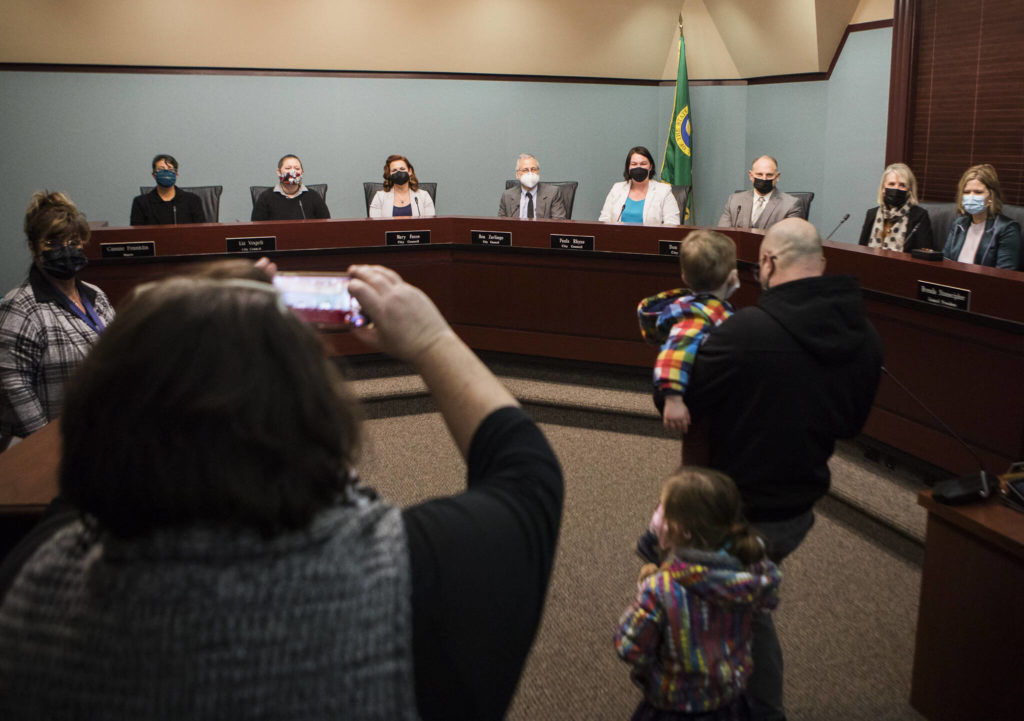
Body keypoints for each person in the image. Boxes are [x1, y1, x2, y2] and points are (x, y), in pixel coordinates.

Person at [0, 263, 563, 721]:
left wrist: (179, 322)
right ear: (315, 420)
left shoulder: (31, 577)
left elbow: (95, 468)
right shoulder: (411, 578)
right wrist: (432, 339)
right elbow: (527, 473)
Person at [675, 218, 882, 721]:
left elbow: (686, 401)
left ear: (766, 263)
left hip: (737, 513)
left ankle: (759, 708)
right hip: (800, 507)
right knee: (747, 602)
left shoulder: (744, 332)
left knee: (736, 610)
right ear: (823, 265)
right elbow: (851, 426)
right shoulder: (866, 338)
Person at [615, 467, 781, 721]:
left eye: (662, 508)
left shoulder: (661, 588)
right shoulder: (752, 574)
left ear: (682, 530)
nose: (655, 513)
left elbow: (629, 647)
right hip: (730, 704)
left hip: (674, 707)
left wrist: (642, 599)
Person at [0, 191, 114, 452]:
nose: (65, 250)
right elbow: (15, 392)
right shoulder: (20, 307)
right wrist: (51, 452)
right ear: (32, 246)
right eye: (52, 243)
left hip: (98, 442)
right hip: (49, 453)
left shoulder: (97, 296)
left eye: (73, 241)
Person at [637, 230, 738, 435]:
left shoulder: (703, 307)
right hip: (695, 401)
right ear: (732, 276)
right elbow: (673, 355)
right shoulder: (696, 315)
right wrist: (673, 400)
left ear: (684, 276)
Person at [942, 163, 1021, 270]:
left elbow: (1004, 274)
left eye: (978, 192)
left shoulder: (1007, 229)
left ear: (991, 196)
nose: (971, 197)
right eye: (966, 192)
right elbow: (945, 261)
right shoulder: (959, 224)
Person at [858, 162, 935, 251]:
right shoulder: (872, 214)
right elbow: (861, 249)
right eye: (891, 184)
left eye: (902, 185)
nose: (896, 188)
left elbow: (924, 254)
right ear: (883, 188)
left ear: (909, 190)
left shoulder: (919, 216)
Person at [599, 146, 680, 225]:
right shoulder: (617, 188)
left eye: (643, 164)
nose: (638, 167)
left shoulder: (663, 191)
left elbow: (673, 224)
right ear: (628, 167)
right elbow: (604, 220)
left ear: (650, 166)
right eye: (634, 164)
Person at [717, 156, 802, 230]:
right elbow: (723, 235)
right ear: (751, 176)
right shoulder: (734, 200)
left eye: (769, 175)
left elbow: (788, 239)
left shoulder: (790, 205)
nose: (764, 179)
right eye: (759, 174)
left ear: (777, 177)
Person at [129, 154, 206, 225]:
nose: (166, 172)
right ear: (154, 175)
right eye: (161, 169)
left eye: (170, 169)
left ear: (176, 174)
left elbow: (201, 232)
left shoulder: (192, 200)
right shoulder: (141, 203)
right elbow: (137, 235)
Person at [251, 154, 331, 221]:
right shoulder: (266, 197)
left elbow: (326, 226)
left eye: (297, 169)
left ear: (302, 173)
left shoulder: (313, 196)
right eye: (288, 168)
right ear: (279, 172)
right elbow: (256, 229)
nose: (293, 172)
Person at [498, 153, 567, 219]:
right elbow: (501, 225)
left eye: (533, 169)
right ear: (517, 174)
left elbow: (558, 223)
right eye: (525, 170)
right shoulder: (507, 196)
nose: (530, 173)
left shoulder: (553, 193)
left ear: (538, 173)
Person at [369, 155, 436, 217]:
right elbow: (375, 226)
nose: (399, 173)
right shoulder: (379, 197)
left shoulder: (424, 196)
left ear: (410, 171)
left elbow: (430, 224)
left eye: (402, 169)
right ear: (389, 174)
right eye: (394, 170)